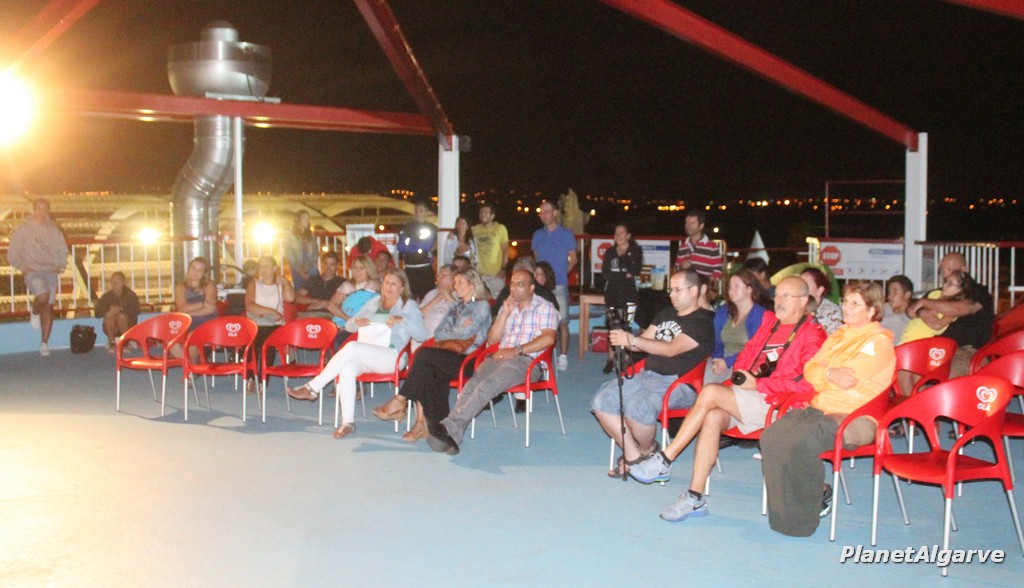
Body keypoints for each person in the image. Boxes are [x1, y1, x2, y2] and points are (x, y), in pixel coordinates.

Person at [627, 276, 827, 522]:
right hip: (752, 396)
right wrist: (743, 376)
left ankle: (666, 458)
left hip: (780, 403)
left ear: (804, 301)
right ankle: (694, 497)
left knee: (711, 392)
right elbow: (746, 354)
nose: (779, 301)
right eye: (777, 296)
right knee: (712, 417)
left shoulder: (813, 335)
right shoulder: (770, 322)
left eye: (787, 296)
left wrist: (759, 384)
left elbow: (807, 384)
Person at [760, 281, 896, 537]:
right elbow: (810, 371)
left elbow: (849, 379)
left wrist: (825, 374)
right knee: (772, 437)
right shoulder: (837, 337)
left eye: (855, 303)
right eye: (845, 301)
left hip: (856, 418)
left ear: (871, 311)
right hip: (821, 408)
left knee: (803, 442)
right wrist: (830, 374)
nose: (846, 307)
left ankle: (803, 519)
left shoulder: (878, 344)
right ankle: (786, 514)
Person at [591, 269, 715, 476]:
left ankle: (645, 450)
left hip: (679, 383)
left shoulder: (702, 322)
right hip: (648, 374)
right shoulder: (666, 314)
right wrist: (624, 337)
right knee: (601, 401)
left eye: (677, 290)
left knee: (637, 408)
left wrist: (633, 341)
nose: (672, 295)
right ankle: (636, 456)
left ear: (694, 291)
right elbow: (643, 342)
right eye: (671, 290)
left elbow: (671, 349)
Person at [425, 269, 558, 455]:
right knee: (471, 385)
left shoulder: (544, 307)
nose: (515, 288)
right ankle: (454, 436)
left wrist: (516, 350)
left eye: (520, 285)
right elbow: (493, 339)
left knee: (487, 385)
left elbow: (548, 338)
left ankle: (447, 425)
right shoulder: (507, 307)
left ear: (531, 288)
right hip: (500, 357)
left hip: (526, 361)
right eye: (512, 284)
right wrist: (504, 314)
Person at [287, 269, 426, 439]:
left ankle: (313, 387)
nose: (388, 287)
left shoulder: (409, 306)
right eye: (386, 283)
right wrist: (358, 322)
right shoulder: (374, 302)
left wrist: (402, 320)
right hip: (368, 353)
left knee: (352, 346)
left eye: (393, 284)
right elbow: (350, 326)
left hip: (392, 356)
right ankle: (347, 423)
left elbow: (422, 335)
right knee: (347, 368)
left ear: (402, 288)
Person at [372, 268, 492, 442]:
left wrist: (455, 331)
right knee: (425, 369)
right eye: (455, 282)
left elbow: (467, 333)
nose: (455, 286)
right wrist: (458, 330)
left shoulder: (482, 306)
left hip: (469, 360)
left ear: (472, 285)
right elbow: (439, 333)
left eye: (460, 282)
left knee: (424, 355)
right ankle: (430, 425)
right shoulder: (456, 306)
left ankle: (400, 400)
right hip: (448, 355)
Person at [909, 252, 994, 377]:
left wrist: (924, 303)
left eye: (949, 269)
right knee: (908, 371)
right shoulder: (937, 293)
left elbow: (956, 309)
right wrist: (922, 311)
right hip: (935, 350)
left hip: (965, 351)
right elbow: (911, 309)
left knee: (948, 374)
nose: (945, 274)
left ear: (963, 270)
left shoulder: (976, 292)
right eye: (943, 270)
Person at [8, 198, 69, 357]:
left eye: (44, 209)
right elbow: (12, 252)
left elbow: (62, 249)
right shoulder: (23, 229)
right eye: (39, 208)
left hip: (50, 270)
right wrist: (22, 267)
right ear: (34, 210)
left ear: (47, 211)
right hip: (33, 270)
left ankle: (44, 343)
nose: (41, 212)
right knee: (43, 296)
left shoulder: (53, 230)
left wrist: (60, 265)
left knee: (48, 306)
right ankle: (35, 311)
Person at [532, 200, 577, 371]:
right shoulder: (537, 235)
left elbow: (573, 259)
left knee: (562, 321)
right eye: (541, 212)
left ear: (555, 213)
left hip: (559, 284)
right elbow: (536, 258)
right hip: (541, 286)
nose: (543, 215)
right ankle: (540, 354)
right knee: (539, 321)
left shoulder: (566, 234)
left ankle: (563, 356)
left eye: (547, 211)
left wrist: (561, 273)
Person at [707, 268, 772, 384]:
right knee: (710, 375)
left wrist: (728, 362)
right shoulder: (723, 311)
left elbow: (756, 349)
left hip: (748, 363)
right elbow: (716, 342)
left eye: (736, 286)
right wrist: (718, 359)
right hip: (723, 357)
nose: (731, 290)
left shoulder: (760, 315)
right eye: (730, 287)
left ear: (749, 289)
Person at [245, 256, 295, 390]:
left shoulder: (280, 285)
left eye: (267, 266)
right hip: (257, 321)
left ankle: (263, 379)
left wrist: (286, 283)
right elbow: (249, 305)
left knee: (267, 344)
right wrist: (271, 311)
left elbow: (291, 298)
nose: (263, 269)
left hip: (274, 324)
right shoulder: (254, 283)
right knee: (253, 341)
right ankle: (251, 377)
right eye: (261, 266)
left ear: (274, 268)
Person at [601, 223, 643, 374]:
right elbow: (605, 273)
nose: (618, 236)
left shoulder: (635, 251)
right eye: (616, 233)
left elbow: (634, 270)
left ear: (628, 235)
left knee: (627, 326)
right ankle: (611, 358)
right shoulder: (610, 252)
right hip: (612, 294)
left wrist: (620, 273)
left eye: (621, 233)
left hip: (629, 294)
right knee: (612, 326)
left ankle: (626, 358)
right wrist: (622, 275)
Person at [899, 270, 978, 344]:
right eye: (945, 281)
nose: (944, 285)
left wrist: (924, 310)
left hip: (920, 339)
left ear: (960, 290)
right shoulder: (935, 294)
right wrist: (922, 311)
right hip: (907, 334)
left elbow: (937, 325)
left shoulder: (955, 306)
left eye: (950, 284)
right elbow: (912, 311)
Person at [325, 255, 381, 345]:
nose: (357, 271)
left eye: (361, 268)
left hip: (367, 327)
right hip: (345, 327)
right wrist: (350, 320)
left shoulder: (375, 285)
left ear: (368, 270)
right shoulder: (347, 286)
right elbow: (331, 306)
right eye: (355, 268)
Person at [172, 256, 219, 360]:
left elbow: (210, 308)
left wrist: (187, 312)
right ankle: (191, 364)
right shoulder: (180, 287)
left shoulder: (209, 285)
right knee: (170, 340)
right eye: (193, 268)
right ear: (189, 268)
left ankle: (191, 366)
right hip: (187, 322)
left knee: (192, 336)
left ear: (204, 273)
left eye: (199, 270)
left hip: (206, 321)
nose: (195, 272)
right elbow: (182, 309)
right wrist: (202, 304)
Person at [674, 210, 723, 303]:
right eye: (687, 223)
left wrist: (710, 285)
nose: (688, 226)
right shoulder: (683, 246)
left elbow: (718, 271)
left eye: (692, 223)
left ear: (701, 226)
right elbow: (676, 269)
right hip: (686, 291)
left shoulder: (711, 247)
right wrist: (681, 267)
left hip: (704, 292)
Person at [397, 200, 438, 300]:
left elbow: (427, 245)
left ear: (426, 212)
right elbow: (401, 246)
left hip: (425, 268)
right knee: (409, 298)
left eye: (421, 211)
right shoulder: (407, 227)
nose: (418, 213)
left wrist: (412, 246)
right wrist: (417, 247)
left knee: (427, 298)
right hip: (410, 268)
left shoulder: (430, 228)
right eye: (416, 211)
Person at [95, 271, 141, 353]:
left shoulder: (131, 295)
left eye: (116, 282)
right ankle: (112, 343)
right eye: (112, 282)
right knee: (109, 314)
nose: (114, 285)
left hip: (128, 325)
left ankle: (125, 343)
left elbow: (136, 310)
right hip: (112, 328)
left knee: (121, 316)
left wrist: (120, 309)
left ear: (123, 282)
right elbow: (97, 314)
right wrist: (109, 309)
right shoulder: (106, 296)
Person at [473, 203, 510, 301]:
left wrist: (503, 269)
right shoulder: (475, 229)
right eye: (481, 212)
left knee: (498, 302)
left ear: (492, 216)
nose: (483, 214)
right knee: (481, 301)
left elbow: (505, 250)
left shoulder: (500, 228)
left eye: (486, 212)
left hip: (496, 273)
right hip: (480, 274)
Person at [294, 251, 344, 318]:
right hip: (310, 312)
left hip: (330, 314)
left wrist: (324, 304)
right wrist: (315, 301)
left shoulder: (342, 282)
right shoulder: (314, 280)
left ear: (337, 265)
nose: (328, 268)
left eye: (332, 264)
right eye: (326, 264)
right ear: (322, 264)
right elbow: (296, 297)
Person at [283, 210, 319, 291]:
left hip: (310, 266)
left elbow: (315, 253)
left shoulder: (311, 236)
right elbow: (290, 255)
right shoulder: (290, 237)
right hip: (297, 267)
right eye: (304, 218)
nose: (307, 220)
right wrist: (300, 270)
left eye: (308, 218)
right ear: (298, 219)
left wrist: (309, 265)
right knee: (300, 290)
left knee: (314, 289)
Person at [801, 267, 843, 335]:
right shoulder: (794, 305)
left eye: (805, 286)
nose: (800, 290)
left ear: (820, 290)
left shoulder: (833, 314)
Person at [419, 265, 456, 335]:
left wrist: (449, 297)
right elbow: (418, 315)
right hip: (424, 335)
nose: (437, 279)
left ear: (453, 277)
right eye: (438, 276)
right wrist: (435, 300)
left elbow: (462, 317)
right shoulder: (432, 293)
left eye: (441, 276)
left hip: (445, 338)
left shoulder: (459, 295)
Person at [880, 274, 913, 342]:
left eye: (895, 292)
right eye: (889, 292)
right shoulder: (882, 308)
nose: (890, 296)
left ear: (907, 295)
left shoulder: (912, 316)